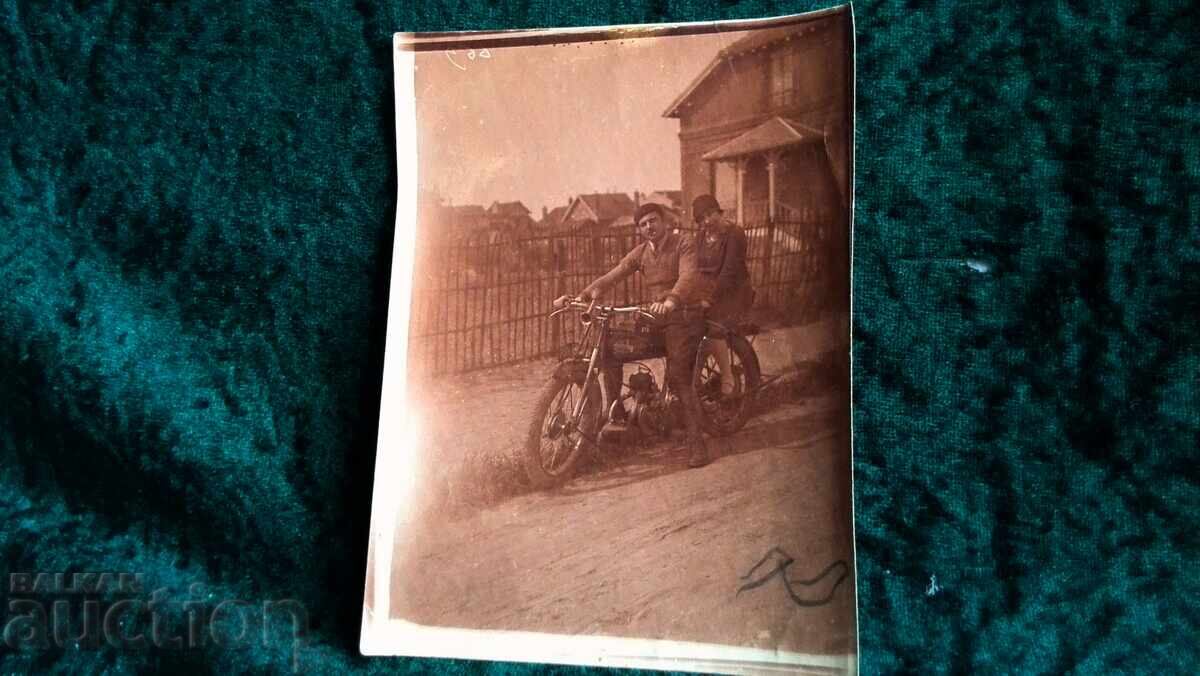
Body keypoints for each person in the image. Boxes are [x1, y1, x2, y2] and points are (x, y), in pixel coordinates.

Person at [554, 202, 711, 468]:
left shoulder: (683, 243)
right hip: (656, 318)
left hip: (684, 316)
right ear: (639, 229)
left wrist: (672, 299)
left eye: (653, 221)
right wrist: (581, 296)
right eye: (643, 224)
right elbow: (613, 275)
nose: (649, 227)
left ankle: (698, 445)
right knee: (611, 351)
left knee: (679, 376)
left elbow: (688, 276)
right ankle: (619, 416)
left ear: (664, 221)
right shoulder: (641, 253)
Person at [692, 194, 754, 396]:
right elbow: (695, 268)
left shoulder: (734, 234)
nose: (707, 221)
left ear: (719, 212)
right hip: (709, 291)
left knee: (713, 327)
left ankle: (728, 378)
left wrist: (709, 299)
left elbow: (729, 271)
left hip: (733, 292)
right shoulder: (701, 236)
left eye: (710, 214)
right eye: (701, 218)